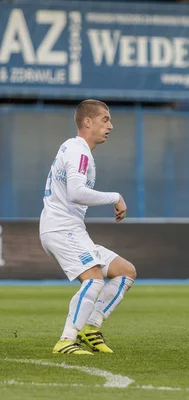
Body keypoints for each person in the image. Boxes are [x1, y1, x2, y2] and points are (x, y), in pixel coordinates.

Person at [39, 99, 136, 355]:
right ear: (87, 122)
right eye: (105, 120)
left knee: (125, 271)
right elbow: (76, 192)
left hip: (69, 229)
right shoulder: (79, 150)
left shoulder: (74, 148)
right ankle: (66, 340)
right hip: (61, 229)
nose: (111, 126)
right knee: (93, 279)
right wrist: (115, 197)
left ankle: (90, 327)